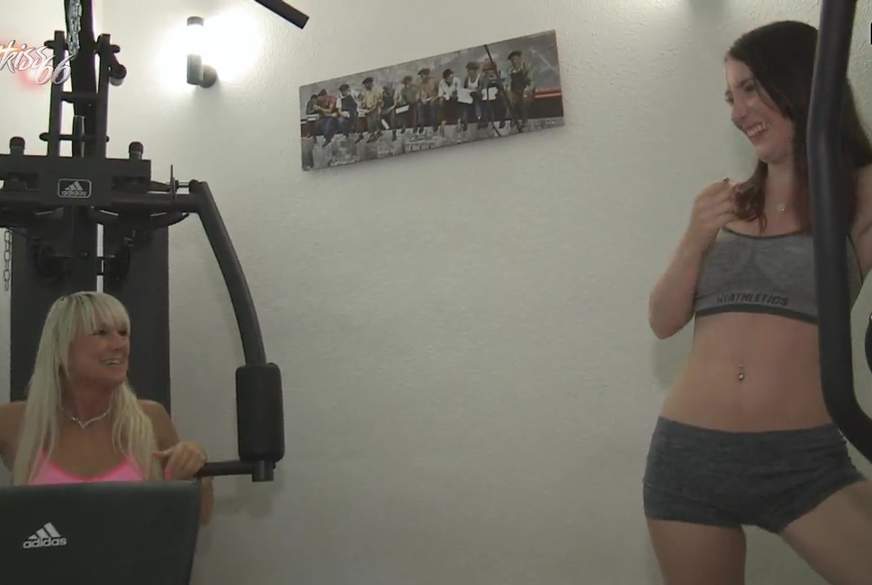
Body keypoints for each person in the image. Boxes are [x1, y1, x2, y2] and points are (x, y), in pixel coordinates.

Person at [644, 21, 872, 585]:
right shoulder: (727, 205)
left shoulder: (861, 194)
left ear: (803, 81)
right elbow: (663, 320)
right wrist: (695, 237)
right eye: (730, 96)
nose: (737, 111)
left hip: (803, 463)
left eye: (749, 88)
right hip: (688, 459)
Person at [0, 291, 213, 524]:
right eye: (101, 333)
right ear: (62, 347)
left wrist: (197, 469)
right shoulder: (12, 421)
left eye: (123, 333)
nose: (119, 344)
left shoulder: (151, 418)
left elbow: (201, 516)